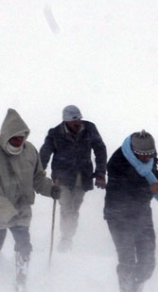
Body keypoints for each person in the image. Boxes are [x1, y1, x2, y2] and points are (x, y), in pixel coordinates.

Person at [0, 108, 61, 292]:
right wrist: (7, 212)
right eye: (14, 138)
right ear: (5, 136)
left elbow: (37, 178)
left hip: (21, 207)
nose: (18, 142)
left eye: (21, 138)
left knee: (24, 245)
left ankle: (21, 280)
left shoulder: (30, 151)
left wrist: (50, 188)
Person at [104, 130, 158, 292]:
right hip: (118, 216)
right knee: (127, 262)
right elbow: (122, 191)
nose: (147, 159)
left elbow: (152, 176)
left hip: (141, 215)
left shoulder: (148, 160)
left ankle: (136, 290)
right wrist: (149, 190)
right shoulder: (117, 163)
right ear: (133, 151)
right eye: (142, 155)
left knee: (148, 262)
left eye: (150, 155)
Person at [39, 105, 108, 252]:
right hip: (61, 178)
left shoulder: (89, 129)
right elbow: (45, 154)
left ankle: (69, 236)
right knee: (66, 207)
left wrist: (101, 172)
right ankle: (65, 239)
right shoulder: (55, 133)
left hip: (82, 177)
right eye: (73, 121)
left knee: (74, 209)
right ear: (66, 121)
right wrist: (38, 173)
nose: (78, 123)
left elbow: (100, 149)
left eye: (79, 119)